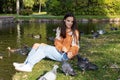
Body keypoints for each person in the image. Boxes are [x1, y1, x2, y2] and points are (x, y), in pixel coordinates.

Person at [13, 13, 80, 72]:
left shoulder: (74, 32)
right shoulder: (60, 29)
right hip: (58, 50)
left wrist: (71, 52)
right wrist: (61, 47)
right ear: (64, 20)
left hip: (65, 55)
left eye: (72, 22)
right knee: (36, 45)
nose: (70, 23)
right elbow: (56, 41)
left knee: (43, 48)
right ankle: (25, 64)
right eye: (68, 21)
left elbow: (76, 46)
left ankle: (29, 66)